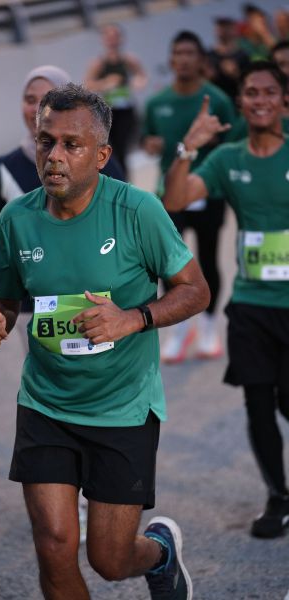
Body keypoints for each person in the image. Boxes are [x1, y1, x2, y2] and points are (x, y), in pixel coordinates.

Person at [0, 83, 210, 599]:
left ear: (101, 155)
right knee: (54, 545)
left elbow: (195, 290)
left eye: (71, 144)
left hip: (122, 408)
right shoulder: (17, 218)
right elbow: (5, 297)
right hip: (45, 403)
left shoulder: (137, 210)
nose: (54, 155)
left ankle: (161, 554)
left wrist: (134, 318)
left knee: (110, 559)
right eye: (46, 141)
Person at [163, 61, 289, 539]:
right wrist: (188, 147)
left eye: (269, 92)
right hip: (251, 304)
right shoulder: (228, 158)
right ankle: (278, 496)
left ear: (283, 101)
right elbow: (176, 200)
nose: (260, 100)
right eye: (251, 92)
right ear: (240, 103)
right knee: (257, 403)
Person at [0, 65, 124, 312]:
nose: (37, 109)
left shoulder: (95, 160)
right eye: (30, 100)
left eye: (47, 100)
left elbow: (123, 224)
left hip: (95, 299)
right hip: (32, 307)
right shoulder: (5, 169)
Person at [142, 30, 236, 363]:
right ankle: (180, 329)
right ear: (171, 60)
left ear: (201, 60)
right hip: (170, 195)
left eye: (189, 53)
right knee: (169, 266)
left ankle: (209, 327)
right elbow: (148, 139)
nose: (183, 59)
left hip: (208, 192)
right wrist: (150, 144)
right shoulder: (156, 103)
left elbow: (233, 143)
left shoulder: (217, 100)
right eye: (177, 53)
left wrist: (212, 141)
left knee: (207, 259)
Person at [84, 23, 148, 178]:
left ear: (121, 39)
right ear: (103, 40)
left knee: (122, 150)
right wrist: (105, 83)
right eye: (108, 37)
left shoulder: (128, 60)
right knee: (110, 150)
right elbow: (87, 85)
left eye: (115, 36)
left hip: (126, 111)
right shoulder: (99, 63)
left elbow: (142, 76)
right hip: (108, 113)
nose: (112, 40)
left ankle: (123, 181)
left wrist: (138, 82)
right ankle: (115, 179)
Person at [206, 16, 250, 105]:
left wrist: (235, 74)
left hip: (236, 103)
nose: (223, 30)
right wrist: (207, 77)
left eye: (226, 27)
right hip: (214, 103)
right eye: (220, 26)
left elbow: (249, 83)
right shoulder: (208, 55)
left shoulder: (243, 55)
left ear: (234, 30)